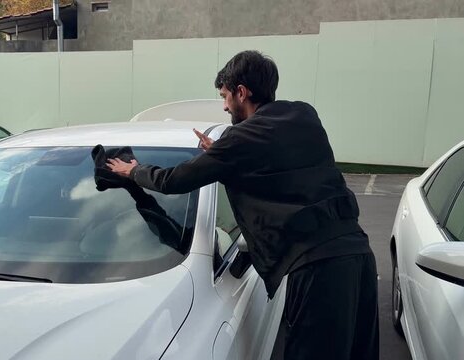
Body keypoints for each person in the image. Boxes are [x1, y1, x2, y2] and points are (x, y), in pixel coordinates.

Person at [106, 50, 379, 360]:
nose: (224, 105)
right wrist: (224, 156)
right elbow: (277, 160)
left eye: (225, 96)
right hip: (359, 255)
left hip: (318, 273)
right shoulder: (305, 115)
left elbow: (173, 181)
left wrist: (133, 171)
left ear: (241, 92)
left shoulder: (239, 142)